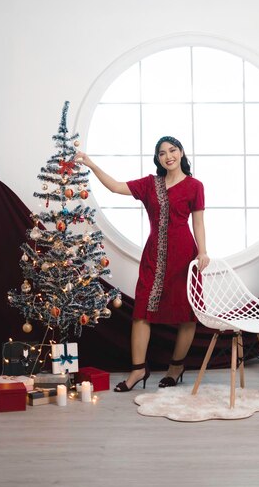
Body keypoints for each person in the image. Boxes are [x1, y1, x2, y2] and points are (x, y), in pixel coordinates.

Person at [75, 136, 209, 392]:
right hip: (154, 256)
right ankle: (138, 370)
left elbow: (199, 223)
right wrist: (91, 164)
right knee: (141, 313)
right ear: (157, 158)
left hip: (184, 256)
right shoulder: (150, 184)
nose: (168, 156)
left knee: (187, 314)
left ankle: (176, 367)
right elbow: (115, 186)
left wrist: (203, 252)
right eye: (162, 153)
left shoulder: (195, 186)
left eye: (172, 150)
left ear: (181, 153)